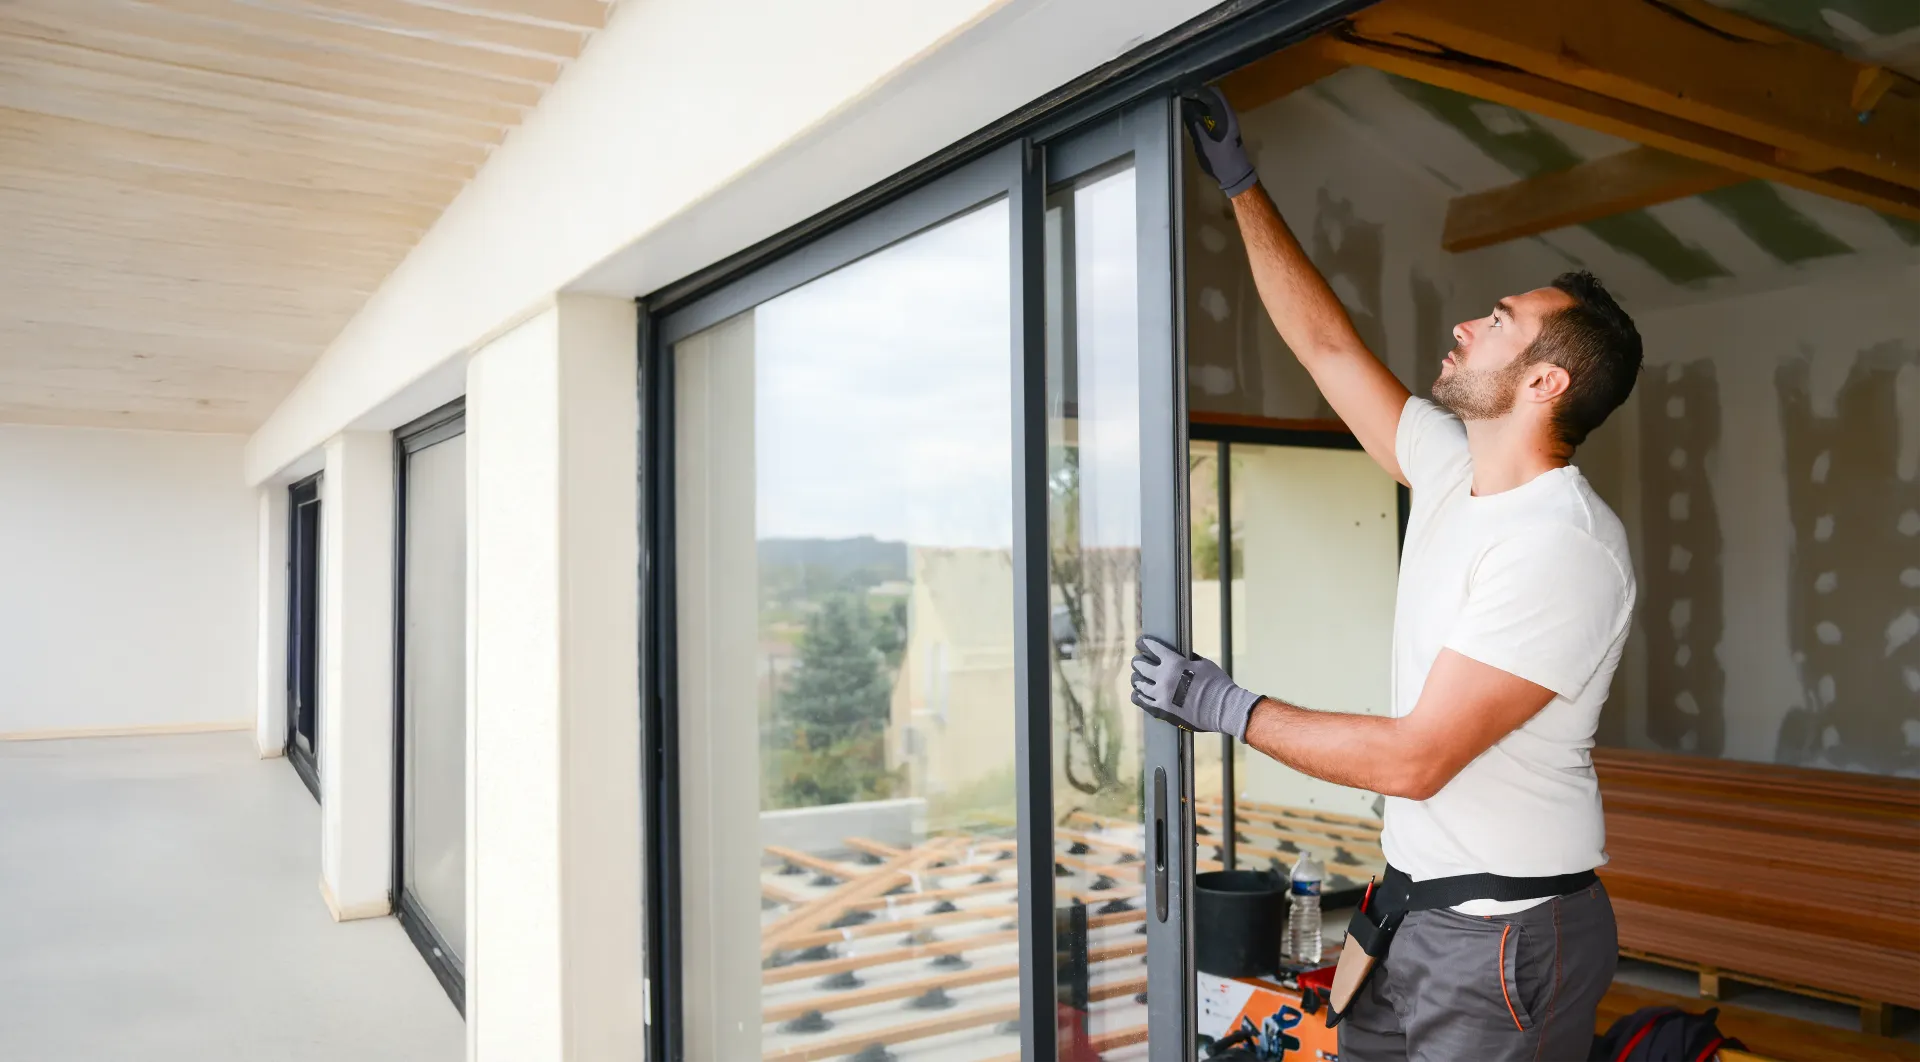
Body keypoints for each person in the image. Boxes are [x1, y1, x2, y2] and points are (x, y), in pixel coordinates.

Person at [1131, 86, 1644, 1062]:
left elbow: (1418, 758)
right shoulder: (1454, 466)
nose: (1466, 326)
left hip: (1503, 942)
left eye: (1498, 321)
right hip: (1412, 909)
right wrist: (1241, 186)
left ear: (1546, 382)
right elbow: (1326, 348)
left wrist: (1225, 706)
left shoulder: (1562, 546)